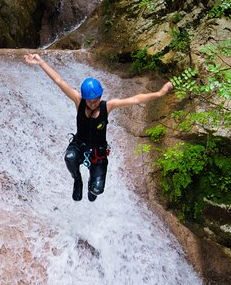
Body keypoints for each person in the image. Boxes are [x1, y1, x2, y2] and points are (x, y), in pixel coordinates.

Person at [24, 53, 174, 202]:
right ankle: (78, 180)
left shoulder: (107, 106)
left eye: (96, 101)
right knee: (69, 158)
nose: (93, 104)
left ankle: (92, 186)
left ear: (100, 97)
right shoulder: (79, 101)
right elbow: (59, 80)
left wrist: (159, 93)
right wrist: (41, 62)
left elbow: (135, 99)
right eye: (90, 101)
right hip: (79, 145)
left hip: (98, 151)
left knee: (96, 190)